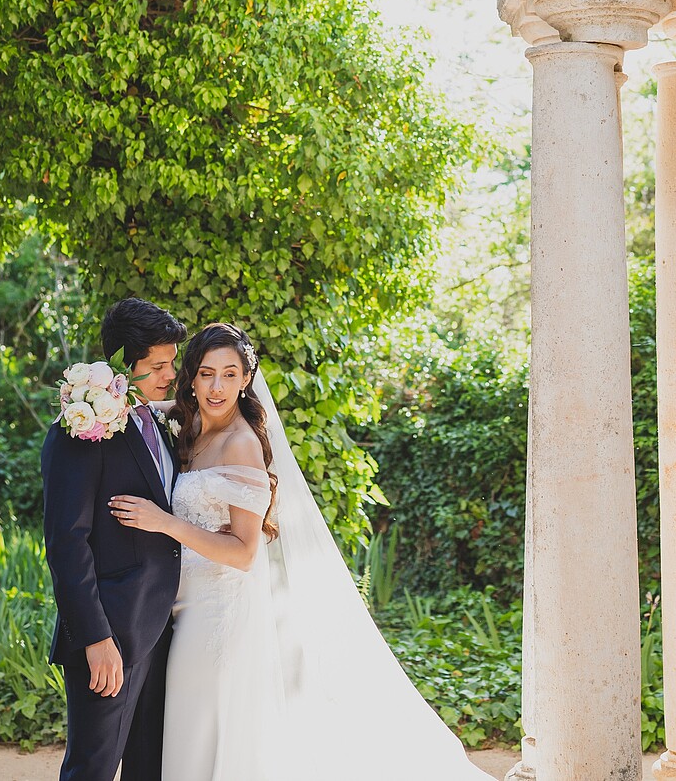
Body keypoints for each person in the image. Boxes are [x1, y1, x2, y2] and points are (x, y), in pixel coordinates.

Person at [107, 322, 487, 780]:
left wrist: (165, 522)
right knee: (192, 729)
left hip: (216, 614)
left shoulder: (241, 444)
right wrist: (92, 398)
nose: (216, 387)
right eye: (206, 374)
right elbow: (135, 405)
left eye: (229, 374)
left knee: (206, 728)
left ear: (246, 379)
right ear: (191, 377)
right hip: (178, 608)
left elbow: (244, 552)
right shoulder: (186, 425)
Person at [43, 298, 186, 781]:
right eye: (158, 366)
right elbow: (67, 544)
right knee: (92, 769)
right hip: (111, 637)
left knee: (150, 769)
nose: (170, 375)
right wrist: (96, 638)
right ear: (125, 363)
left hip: (164, 632)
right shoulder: (79, 430)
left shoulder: (159, 422)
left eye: (172, 363)